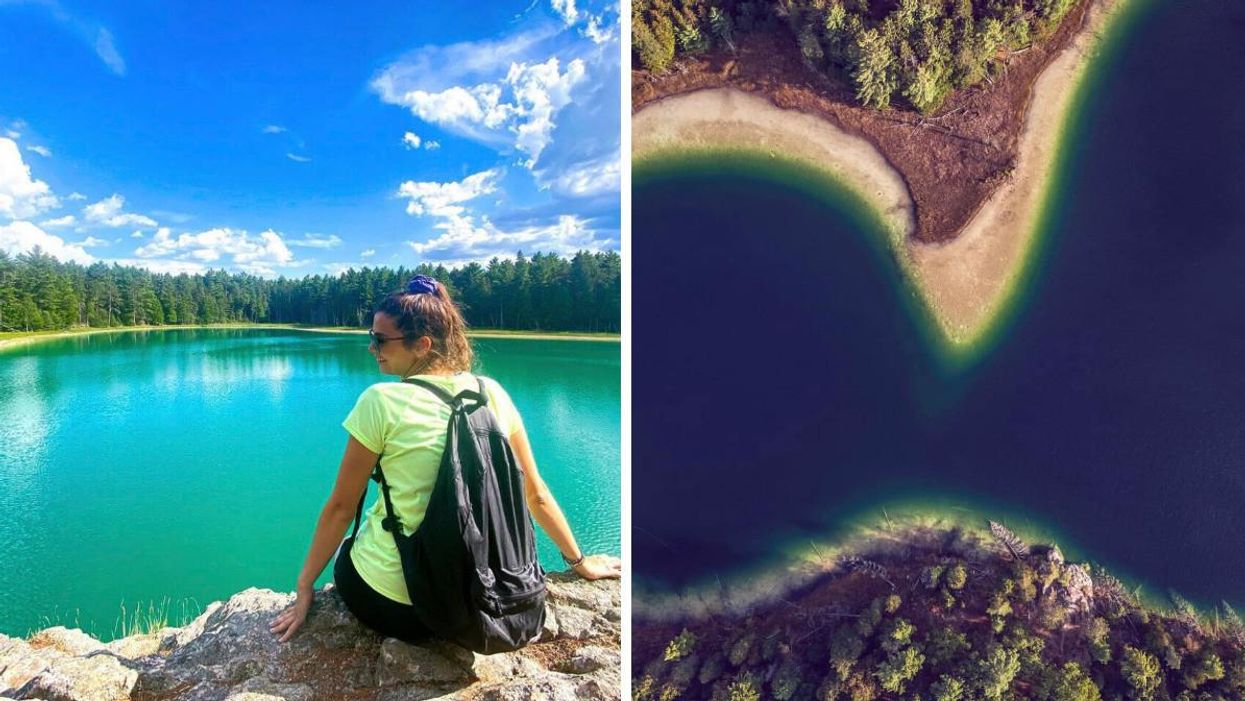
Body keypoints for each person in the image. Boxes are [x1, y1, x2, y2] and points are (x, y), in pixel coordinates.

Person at [270, 274, 621, 643]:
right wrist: (580, 563)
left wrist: (304, 586)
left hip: (403, 610)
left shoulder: (380, 402)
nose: (372, 348)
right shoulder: (491, 393)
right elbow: (536, 494)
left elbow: (342, 508)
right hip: (484, 604)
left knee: (348, 548)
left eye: (380, 339)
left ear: (422, 345)